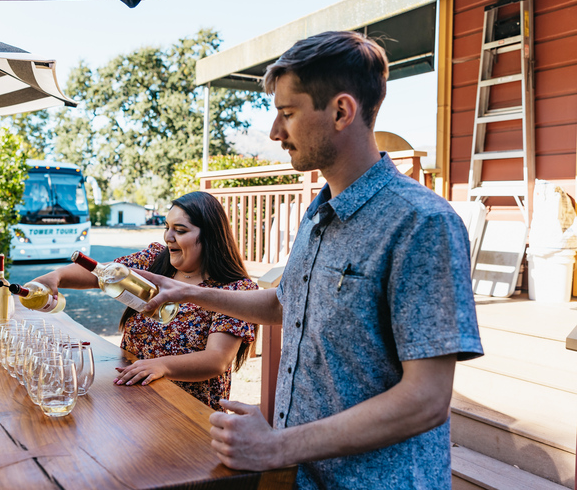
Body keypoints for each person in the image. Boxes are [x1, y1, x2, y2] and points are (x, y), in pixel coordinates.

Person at [138, 31, 484, 489]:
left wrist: (276, 445)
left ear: (341, 111)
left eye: (287, 113)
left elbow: (426, 399)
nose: (275, 132)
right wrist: (189, 292)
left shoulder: (421, 223)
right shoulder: (319, 211)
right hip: (302, 474)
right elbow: (287, 305)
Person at [33, 191, 257, 411]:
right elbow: (101, 273)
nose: (168, 237)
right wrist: (57, 276)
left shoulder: (236, 290)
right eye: (167, 227)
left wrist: (162, 365)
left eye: (179, 230)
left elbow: (216, 360)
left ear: (211, 236)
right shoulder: (155, 260)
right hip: (132, 401)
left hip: (187, 413)